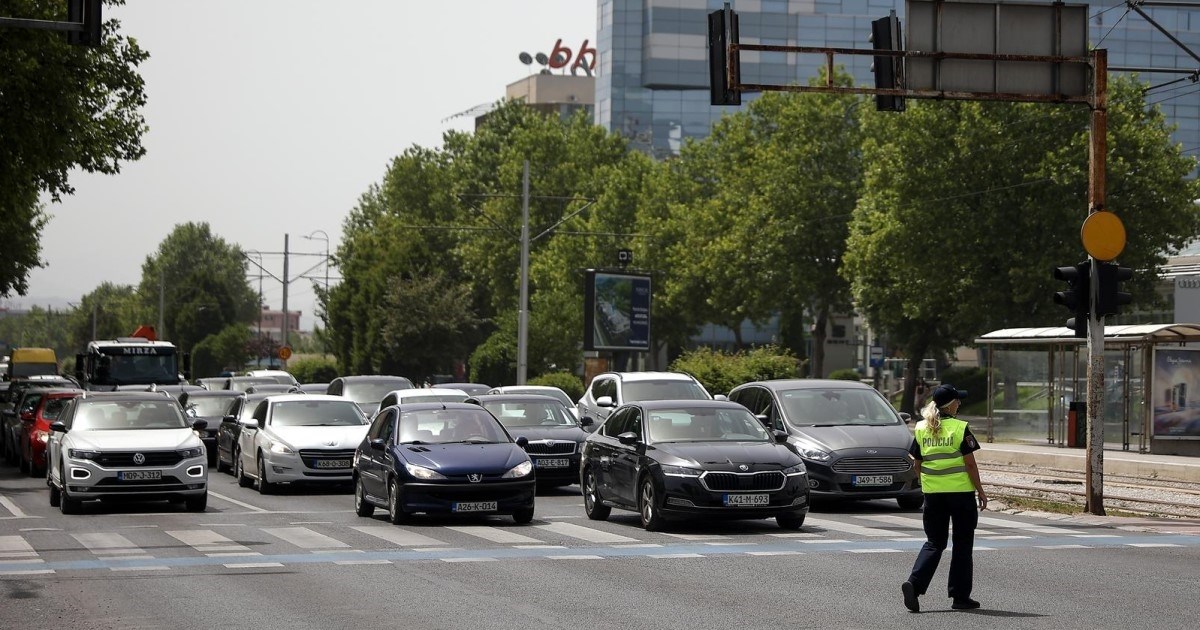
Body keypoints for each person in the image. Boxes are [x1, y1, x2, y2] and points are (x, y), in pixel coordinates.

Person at [902, 383, 988, 613]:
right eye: (958, 400)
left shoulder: (921, 428)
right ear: (951, 405)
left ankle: (915, 583)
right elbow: (970, 463)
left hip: (933, 496)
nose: (960, 403)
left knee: (934, 543)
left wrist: (928, 483)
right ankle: (960, 597)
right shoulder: (960, 428)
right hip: (960, 495)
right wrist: (980, 490)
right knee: (962, 544)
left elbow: (916, 464)